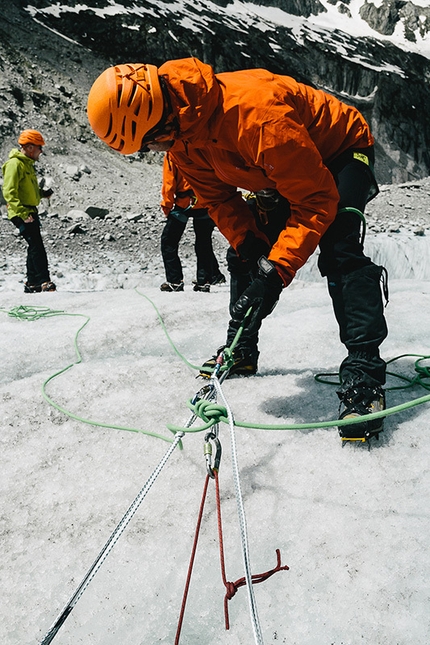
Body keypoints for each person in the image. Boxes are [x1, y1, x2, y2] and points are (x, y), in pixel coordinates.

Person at [86, 60, 388, 440]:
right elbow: (218, 199)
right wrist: (250, 247)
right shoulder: (181, 139)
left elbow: (315, 200)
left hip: (340, 152)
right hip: (278, 168)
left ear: (161, 122)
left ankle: (365, 373)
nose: (151, 149)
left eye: (149, 141)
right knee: (244, 251)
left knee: (339, 247)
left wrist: (276, 272)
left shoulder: (254, 116)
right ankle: (241, 348)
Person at [159, 152, 225, 292]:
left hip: (184, 204)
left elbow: (169, 181)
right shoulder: (203, 149)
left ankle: (174, 281)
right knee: (204, 243)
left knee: (169, 241)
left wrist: (167, 205)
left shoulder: (173, 153)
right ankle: (204, 281)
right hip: (205, 202)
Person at [2, 129, 56, 292]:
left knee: (34, 245)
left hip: (29, 211)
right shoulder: (14, 164)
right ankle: (43, 281)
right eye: (40, 147)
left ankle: (32, 283)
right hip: (21, 212)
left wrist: (42, 194)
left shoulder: (27, 164)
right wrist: (23, 214)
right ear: (31, 147)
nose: (41, 151)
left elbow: (28, 190)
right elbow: (9, 192)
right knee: (37, 245)